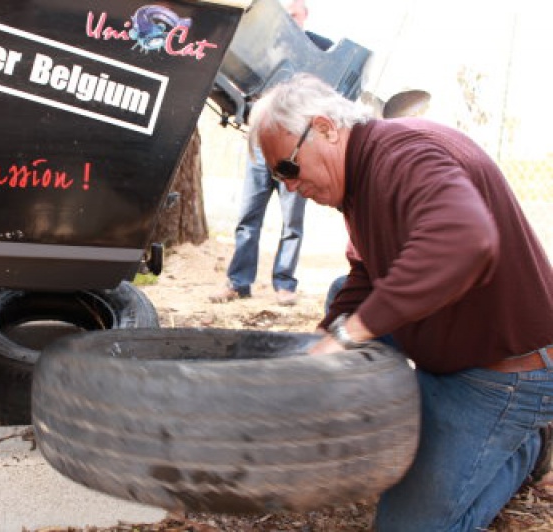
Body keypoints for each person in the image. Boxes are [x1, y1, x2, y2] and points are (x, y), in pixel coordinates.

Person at [248, 73, 553, 531]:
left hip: (502, 372)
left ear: (326, 128)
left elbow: (465, 240)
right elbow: (366, 273)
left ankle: (528, 448)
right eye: (277, 176)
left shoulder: (406, 155)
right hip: (449, 346)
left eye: (288, 168)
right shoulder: (360, 177)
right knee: (340, 301)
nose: (289, 186)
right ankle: (379, 426)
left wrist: (350, 334)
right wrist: (327, 332)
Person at [210, 0, 331, 306]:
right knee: (248, 218)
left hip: (298, 152)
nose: (290, 22)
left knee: (292, 223)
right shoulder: (262, 49)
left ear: (304, 17)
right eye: (286, 17)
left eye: (295, 16)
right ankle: (239, 282)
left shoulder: (320, 50)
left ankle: (284, 285)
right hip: (260, 148)